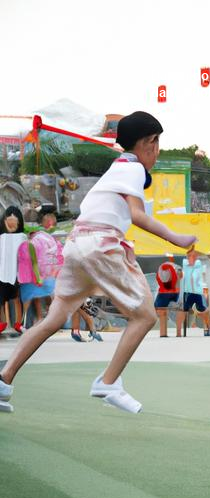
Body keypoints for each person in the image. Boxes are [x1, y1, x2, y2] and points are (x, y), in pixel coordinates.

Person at [0, 111, 197, 414]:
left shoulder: (118, 169)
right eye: (155, 143)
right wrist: (176, 238)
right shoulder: (131, 169)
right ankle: (108, 382)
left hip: (78, 245)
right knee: (145, 316)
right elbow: (137, 215)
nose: (157, 151)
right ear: (147, 143)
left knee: (53, 320)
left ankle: (4, 380)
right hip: (100, 246)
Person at [0, 206, 25, 334]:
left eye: (14, 222)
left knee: (16, 297)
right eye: (9, 222)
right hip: (3, 271)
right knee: (2, 297)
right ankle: (3, 322)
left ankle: (18, 323)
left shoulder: (22, 237)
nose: (11, 225)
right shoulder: (2, 237)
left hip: (16, 272)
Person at [178, 248, 210, 336]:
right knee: (184, 310)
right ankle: (179, 332)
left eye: (193, 256)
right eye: (189, 256)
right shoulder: (185, 266)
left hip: (199, 292)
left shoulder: (200, 266)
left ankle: (207, 327)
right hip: (187, 293)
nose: (191, 258)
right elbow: (181, 277)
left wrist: (204, 289)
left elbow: (203, 278)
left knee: (202, 310)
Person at [154, 257, 183, 337]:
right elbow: (179, 277)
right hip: (174, 294)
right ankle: (178, 333)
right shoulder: (175, 271)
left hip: (164, 294)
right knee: (174, 309)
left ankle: (163, 333)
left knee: (160, 309)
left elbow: (159, 278)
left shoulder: (164, 271)